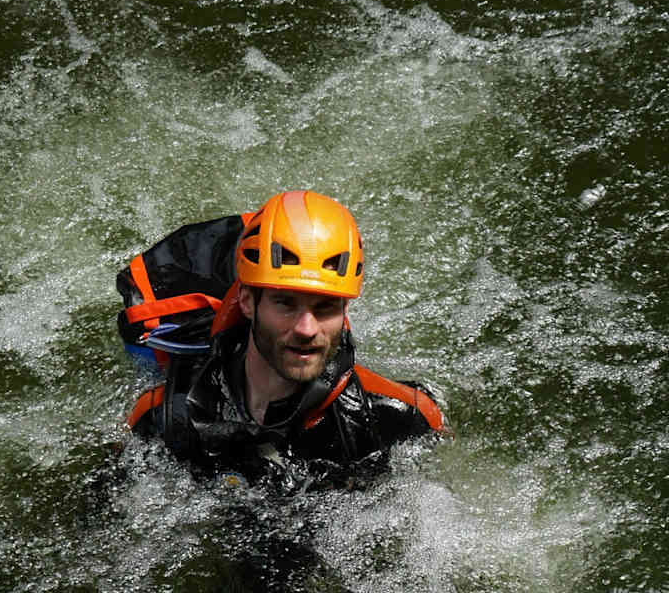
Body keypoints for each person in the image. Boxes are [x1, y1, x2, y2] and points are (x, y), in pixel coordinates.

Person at [120, 190, 445, 487]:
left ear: (345, 309)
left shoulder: (401, 419)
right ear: (247, 300)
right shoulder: (162, 417)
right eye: (285, 303)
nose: (306, 328)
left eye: (326, 307)